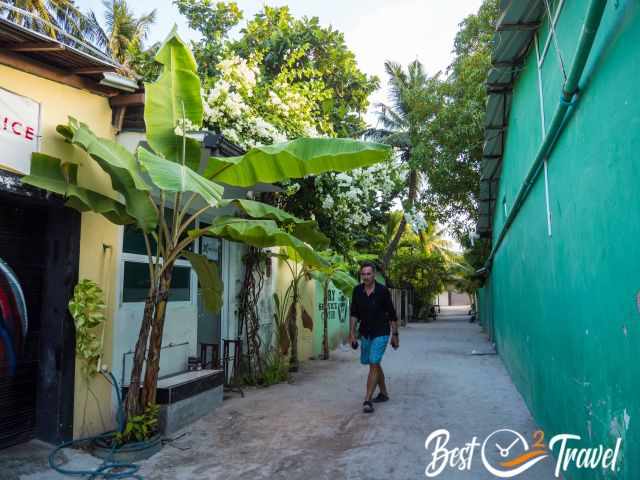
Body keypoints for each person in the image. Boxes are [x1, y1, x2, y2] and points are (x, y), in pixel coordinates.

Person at [349, 261, 399, 413]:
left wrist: (395, 335)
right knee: (373, 363)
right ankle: (383, 393)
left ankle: (367, 399)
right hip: (365, 333)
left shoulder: (383, 291)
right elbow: (354, 314)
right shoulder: (357, 291)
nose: (366, 277)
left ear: (374, 274)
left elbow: (392, 314)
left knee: (374, 361)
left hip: (381, 332)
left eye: (368, 274)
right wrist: (351, 333)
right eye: (363, 274)